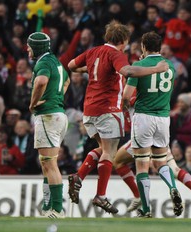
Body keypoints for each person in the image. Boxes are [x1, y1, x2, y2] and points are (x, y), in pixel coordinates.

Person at [67, 20, 168, 214]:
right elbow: (128, 71)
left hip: (89, 109)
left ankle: (78, 177)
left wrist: (89, 69)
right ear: (123, 40)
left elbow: (71, 65)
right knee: (110, 153)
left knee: (102, 148)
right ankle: (100, 196)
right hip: (108, 109)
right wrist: (155, 69)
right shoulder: (115, 54)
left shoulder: (93, 51)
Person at [123, 31, 182, 218]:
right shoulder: (170, 66)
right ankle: (172, 187)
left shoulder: (139, 66)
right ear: (160, 47)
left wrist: (127, 105)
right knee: (160, 161)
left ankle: (146, 209)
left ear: (143, 46)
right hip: (164, 118)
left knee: (141, 165)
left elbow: (126, 96)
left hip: (144, 117)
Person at [27, 32, 70, 218]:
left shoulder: (43, 63)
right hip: (59, 115)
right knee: (46, 163)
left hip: (48, 116)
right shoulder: (56, 62)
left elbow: (41, 81)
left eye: (29, 46)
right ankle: (47, 206)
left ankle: (58, 209)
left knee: (49, 163)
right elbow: (67, 81)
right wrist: (57, 96)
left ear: (35, 47)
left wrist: (32, 103)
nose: (27, 48)